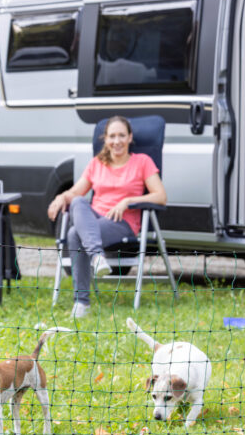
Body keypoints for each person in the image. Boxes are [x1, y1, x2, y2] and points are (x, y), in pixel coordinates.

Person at [47, 116, 167, 318]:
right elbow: (76, 192)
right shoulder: (97, 163)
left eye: (121, 135)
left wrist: (128, 201)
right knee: (77, 202)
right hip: (94, 220)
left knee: (75, 234)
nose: (117, 141)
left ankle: (82, 302)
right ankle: (97, 256)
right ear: (106, 140)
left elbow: (161, 196)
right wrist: (60, 197)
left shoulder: (142, 162)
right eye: (112, 136)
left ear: (130, 138)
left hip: (122, 222)